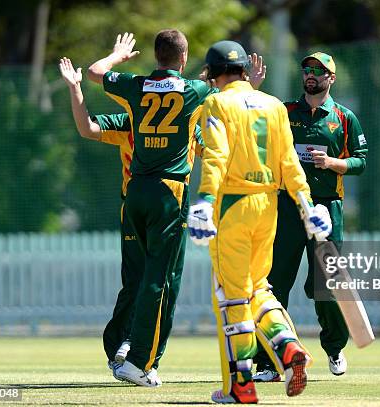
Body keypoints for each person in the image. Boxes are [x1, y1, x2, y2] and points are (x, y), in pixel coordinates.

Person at [86, 31, 266, 387]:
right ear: (183, 60)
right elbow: (227, 92)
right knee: (162, 280)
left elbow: (93, 72)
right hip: (170, 192)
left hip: (135, 189)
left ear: (157, 56)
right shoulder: (194, 90)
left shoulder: (136, 85)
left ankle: (127, 349)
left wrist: (117, 56)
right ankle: (140, 361)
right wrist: (252, 85)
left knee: (137, 278)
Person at [187, 40, 333, 404]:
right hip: (269, 206)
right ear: (243, 71)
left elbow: (216, 156)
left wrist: (204, 201)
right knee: (259, 289)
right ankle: (287, 347)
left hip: (233, 205)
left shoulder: (216, 102)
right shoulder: (272, 104)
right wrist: (307, 205)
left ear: (215, 73)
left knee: (232, 296)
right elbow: (289, 163)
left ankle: (241, 385)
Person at [59, 56, 203, 384]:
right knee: (145, 281)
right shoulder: (134, 120)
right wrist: (75, 88)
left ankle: (126, 345)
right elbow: (88, 128)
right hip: (151, 202)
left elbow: (213, 152)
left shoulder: (181, 122)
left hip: (143, 200)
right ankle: (128, 349)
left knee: (145, 280)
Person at [253, 52, 368, 381]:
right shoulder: (285, 111)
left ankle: (334, 348)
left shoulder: (344, 117)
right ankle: (269, 361)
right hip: (288, 206)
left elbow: (361, 160)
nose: (311, 75)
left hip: (327, 207)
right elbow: (254, 117)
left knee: (325, 285)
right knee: (273, 285)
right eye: (307, 69)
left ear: (331, 78)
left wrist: (334, 163)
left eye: (319, 71)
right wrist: (255, 89)